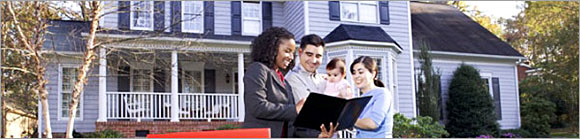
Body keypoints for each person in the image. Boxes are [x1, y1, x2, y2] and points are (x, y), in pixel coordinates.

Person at [242, 27, 336, 138]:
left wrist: (318, 135)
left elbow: (290, 125)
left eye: (292, 53)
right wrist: (295, 109)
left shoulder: (284, 81)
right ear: (272, 48)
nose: (291, 57)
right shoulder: (258, 69)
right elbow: (257, 107)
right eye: (287, 51)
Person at [285, 34, 327, 137]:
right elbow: (308, 113)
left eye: (318, 56)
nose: (313, 60)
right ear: (300, 52)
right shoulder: (292, 79)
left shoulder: (323, 79)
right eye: (309, 54)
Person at [350, 56, 395, 138]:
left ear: (373, 74)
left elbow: (373, 123)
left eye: (360, 72)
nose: (356, 76)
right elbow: (357, 125)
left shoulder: (382, 94)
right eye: (354, 73)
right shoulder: (358, 99)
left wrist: (348, 120)